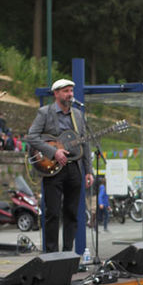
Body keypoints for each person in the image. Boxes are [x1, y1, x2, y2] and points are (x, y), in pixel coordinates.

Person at [24, 78, 94, 252]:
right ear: (56, 94)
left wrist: (88, 171)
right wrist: (53, 152)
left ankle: (68, 253)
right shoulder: (45, 113)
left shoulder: (78, 115)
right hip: (53, 169)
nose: (70, 94)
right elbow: (31, 137)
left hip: (74, 168)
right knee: (53, 213)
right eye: (65, 91)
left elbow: (85, 144)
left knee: (72, 213)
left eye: (71, 91)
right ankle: (52, 255)